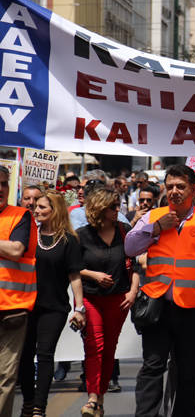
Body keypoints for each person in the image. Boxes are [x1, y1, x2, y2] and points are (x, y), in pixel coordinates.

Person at [124, 164, 195, 417]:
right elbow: (129, 247)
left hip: (193, 311)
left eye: (181, 186)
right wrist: (154, 228)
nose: (174, 191)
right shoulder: (152, 217)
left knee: (187, 373)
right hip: (157, 308)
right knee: (152, 368)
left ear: (194, 190)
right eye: (170, 186)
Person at [18, 191, 84, 417]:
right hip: (26, 304)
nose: (36, 210)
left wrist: (79, 308)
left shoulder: (69, 240)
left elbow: (75, 276)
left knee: (45, 355)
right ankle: (28, 402)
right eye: (35, 206)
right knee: (25, 357)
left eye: (42, 207)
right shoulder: (28, 234)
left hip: (54, 308)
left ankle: (39, 408)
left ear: (54, 210)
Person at [77, 187, 139, 416]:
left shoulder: (125, 230)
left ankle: (99, 399)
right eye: (113, 206)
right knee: (94, 347)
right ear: (100, 208)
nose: (117, 210)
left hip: (119, 299)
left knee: (109, 350)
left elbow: (136, 264)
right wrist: (93, 275)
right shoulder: (82, 235)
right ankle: (92, 397)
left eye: (118, 205)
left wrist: (133, 292)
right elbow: (72, 269)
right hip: (91, 298)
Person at [0, 165, 37, 417]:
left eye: (4, 183)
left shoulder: (21, 215)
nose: (0, 189)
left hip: (12, 309)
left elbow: (16, 249)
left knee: (5, 376)